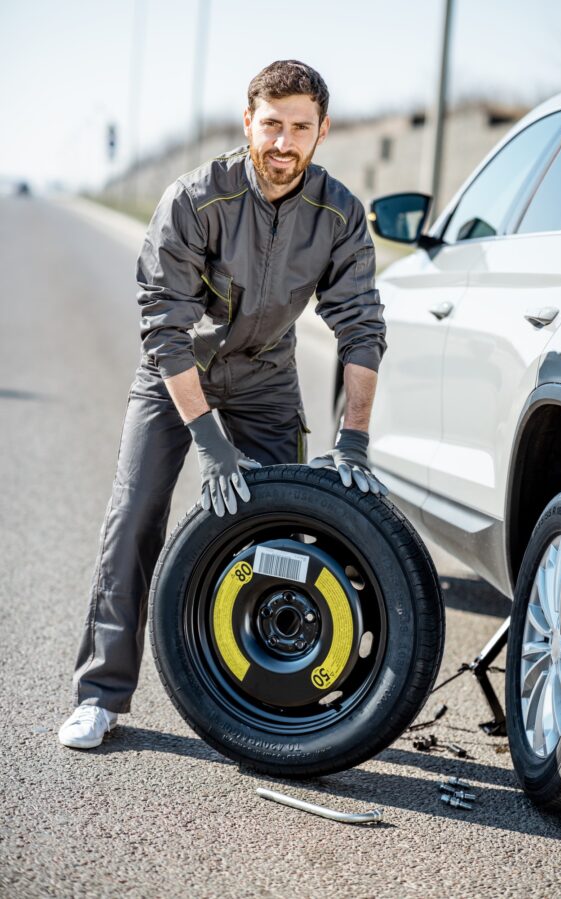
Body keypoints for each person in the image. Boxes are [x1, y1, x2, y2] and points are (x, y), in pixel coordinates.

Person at [59, 59, 387, 750]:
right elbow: (164, 329)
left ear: (322, 130)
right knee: (135, 520)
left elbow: (361, 325)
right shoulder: (193, 199)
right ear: (248, 122)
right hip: (176, 376)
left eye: (301, 127)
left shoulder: (340, 214)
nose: (283, 142)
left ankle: (257, 695)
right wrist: (209, 444)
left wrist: (353, 438)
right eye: (271, 124)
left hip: (266, 380)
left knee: (281, 531)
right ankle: (100, 693)